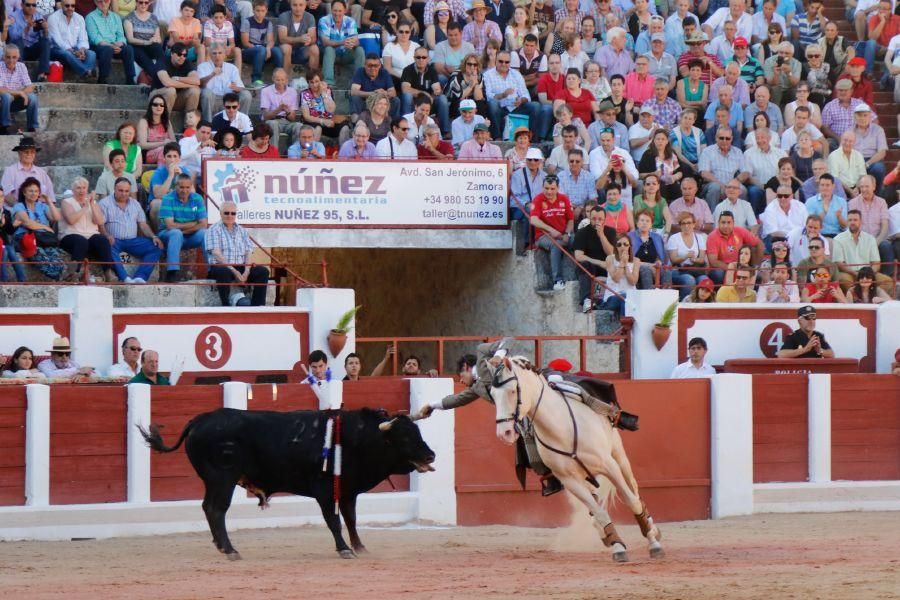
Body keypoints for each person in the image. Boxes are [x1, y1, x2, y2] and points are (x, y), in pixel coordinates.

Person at [98, 177, 163, 283]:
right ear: (114, 189)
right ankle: (125, 278)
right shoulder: (104, 203)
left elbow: (143, 224)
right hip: (114, 240)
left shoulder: (135, 204)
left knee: (156, 246)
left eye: (127, 191)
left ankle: (140, 276)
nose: (124, 194)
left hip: (133, 241)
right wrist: (107, 235)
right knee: (107, 245)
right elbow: (100, 225)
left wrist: (153, 236)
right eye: (121, 190)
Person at [207, 200, 269, 307]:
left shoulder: (242, 230)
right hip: (221, 267)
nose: (230, 216)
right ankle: (226, 306)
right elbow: (216, 253)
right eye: (226, 213)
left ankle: (258, 307)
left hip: (241, 266)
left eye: (233, 213)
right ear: (220, 213)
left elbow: (248, 251)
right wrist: (234, 271)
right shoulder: (213, 229)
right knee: (223, 271)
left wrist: (247, 270)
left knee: (263, 271)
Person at [59, 179, 120, 282]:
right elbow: (71, 220)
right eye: (78, 188)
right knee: (81, 241)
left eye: (84, 188)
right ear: (73, 190)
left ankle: (109, 272)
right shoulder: (66, 202)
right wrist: (85, 207)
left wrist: (91, 204)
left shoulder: (93, 203)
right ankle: (73, 273)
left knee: (102, 240)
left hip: (90, 236)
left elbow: (99, 221)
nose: (81, 190)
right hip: (70, 236)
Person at [484, 49, 545, 141]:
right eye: (501, 61)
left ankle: (532, 138)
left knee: (535, 106)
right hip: (500, 108)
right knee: (493, 104)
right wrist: (503, 95)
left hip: (516, 106)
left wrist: (521, 100)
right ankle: (497, 137)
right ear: (496, 61)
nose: (504, 64)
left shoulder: (516, 74)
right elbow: (488, 96)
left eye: (507, 62)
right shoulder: (488, 75)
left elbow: (526, 94)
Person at [157, 173, 207, 283]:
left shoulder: (197, 198)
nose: (184, 190)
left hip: (188, 235)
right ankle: (172, 271)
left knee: (205, 234)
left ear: (191, 186)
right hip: (167, 234)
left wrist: (183, 230)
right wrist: (193, 224)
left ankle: (212, 269)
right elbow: (170, 225)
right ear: (175, 186)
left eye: (187, 187)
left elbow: (203, 224)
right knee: (175, 233)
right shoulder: (168, 198)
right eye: (181, 187)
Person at [531, 175, 574, 291]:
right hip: (543, 236)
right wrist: (551, 230)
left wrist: (567, 233)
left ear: (558, 188)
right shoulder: (538, 199)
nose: (549, 191)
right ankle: (557, 280)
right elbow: (533, 220)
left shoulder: (564, 198)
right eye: (546, 188)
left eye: (552, 189)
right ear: (542, 187)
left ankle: (582, 274)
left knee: (577, 240)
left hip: (563, 234)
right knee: (556, 245)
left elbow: (571, 219)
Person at [832, 208, 893, 291]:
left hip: (868, 273)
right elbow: (839, 263)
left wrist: (868, 274)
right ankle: (858, 299)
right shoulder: (838, 239)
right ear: (847, 222)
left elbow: (876, 263)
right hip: (849, 273)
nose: (852, 222)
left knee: (888, 281)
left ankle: (870, 298)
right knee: (843, 280)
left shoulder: (870, 239)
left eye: (855, 220)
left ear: (861, 222)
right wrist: (856, 274)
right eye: (850, 220)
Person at [574, 205, 616, 312]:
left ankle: (601, 301)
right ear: (589, 218)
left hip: (607, 268)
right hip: (589, 268)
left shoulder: (610, 232)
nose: (597, 221)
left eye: (600, 219)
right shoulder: (582, 233)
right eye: (593, 219)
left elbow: (611, 253)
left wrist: (601, 235)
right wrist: (599, 262)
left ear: (604, 220)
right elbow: (578, 256)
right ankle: (587, 300)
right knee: (584, 265)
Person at [86, 0, 136, 86]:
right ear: (95, 2)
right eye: (100, 1)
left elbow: (121, 35)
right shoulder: (90, 17)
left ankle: (130, 79)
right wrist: (111, 45)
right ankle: (102, 79)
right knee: (107, 49)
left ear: (110, 1)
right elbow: (95, 38)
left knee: (128, 49)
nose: (103, 3)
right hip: (98, 46)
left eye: (106, 0)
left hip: (115, 46)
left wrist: (121, 43)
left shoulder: (115, 17)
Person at [706, 210, 764, 284]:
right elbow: (713, 262)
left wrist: (755, 266)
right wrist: (732, 269)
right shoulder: (712, 237)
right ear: (718, 223)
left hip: (742, 266)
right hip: (723, 268)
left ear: (733, 223)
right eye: (723, 222)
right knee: (718, 274)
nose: (726, 226)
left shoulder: (740, 231)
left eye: (729, 222)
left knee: (757, 276)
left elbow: (759, 244)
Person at [197, 44, 251, 122]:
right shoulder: (203, 66)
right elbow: (200, 84)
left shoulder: (232, 68)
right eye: (214, 53)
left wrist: (236, 88)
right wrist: (212, 75)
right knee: (206, 93)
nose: (217, 56)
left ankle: (241, 124)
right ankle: (208, 124)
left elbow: (240, 87)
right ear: (210, 55)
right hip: (212, 100)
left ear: (225, 55)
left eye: (220, 53)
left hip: (229, 100)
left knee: (246, 95)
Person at [318, 0, 365, 86]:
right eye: (335, 10)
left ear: (345, 11)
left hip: (345, 54)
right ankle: (328, 83)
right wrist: (343, 42)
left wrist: (352, 43)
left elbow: (356, 41)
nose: (337, 13)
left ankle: (358, 82)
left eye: (340, 11)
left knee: (359, 50)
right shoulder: (324, 20)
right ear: (331, 10)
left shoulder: (350, 21)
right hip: (329, 55)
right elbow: (325, 42)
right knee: (329, 49)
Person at [48, 0, 97, 80]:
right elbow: (58, 41)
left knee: (92, 54)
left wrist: (82, 50)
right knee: (67, 54)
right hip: (56, 49)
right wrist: (74, 52)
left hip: (75, 49)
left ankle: (87, 74)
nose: (70, 8)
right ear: (62, 5)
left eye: (72, 6)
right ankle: (86, 72)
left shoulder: (79, 18)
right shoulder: (53, 18)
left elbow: (83, 38)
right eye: (67, 6)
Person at [241, 0, 282, 88]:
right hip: (249, 50)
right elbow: (245, 43)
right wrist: (260, 49)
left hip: (262, 49)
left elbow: (270, 41)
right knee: (261, 50)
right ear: (253, 10)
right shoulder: (247, 22)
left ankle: (280, 77)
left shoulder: (268, 23)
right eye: (258, 10)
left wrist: (267, 49)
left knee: (277, 50)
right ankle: (256, 79)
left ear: (266, 10)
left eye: (263, 11)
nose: (260, 13)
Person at [2, 136, 54, 204]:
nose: (29, 154)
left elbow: (50, 197)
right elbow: (6, 194)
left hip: (40, 211)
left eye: (32, 152)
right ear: (19, 153)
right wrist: (21, 208)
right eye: (26, 152)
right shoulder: (10, 171)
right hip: (17, 210)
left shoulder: (42, 173)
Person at [8, 1, 52, 82]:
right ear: (22, 5)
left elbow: (45, 39)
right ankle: (19, 74)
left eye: (34, 5)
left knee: (46, 41)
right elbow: (13, 37)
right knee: (18, 41)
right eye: (28, 5)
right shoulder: (14, 16)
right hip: (20, 50)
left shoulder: (38, 16)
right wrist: (26, 28)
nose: (31, 7)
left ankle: (42, 74)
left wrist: (45, 30)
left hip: (33, 49)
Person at [598, 233, 640, 315]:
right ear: (615, 247)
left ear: (629, 246)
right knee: (624, 297)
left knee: (627, 298)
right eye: (619, 244)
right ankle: (625, 325)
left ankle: (626, 325)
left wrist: (626, 265)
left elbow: (633, 281)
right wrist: (622, 263)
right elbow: (616, 278)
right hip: (612, 297)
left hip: (631, 296)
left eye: (625, 244)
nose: (622, 247)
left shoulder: (636, 260)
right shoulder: (610, 258)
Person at [0, 45, 38, 135]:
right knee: (6, 96)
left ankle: (32, 127)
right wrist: (19, 92)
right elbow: (0, 89)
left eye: (14, 57)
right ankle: (4, 126)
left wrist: (19, 94)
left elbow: (30, 86)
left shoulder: (21, 66)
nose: (11, 60)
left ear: (18, 57)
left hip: (15, 102)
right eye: (8, 57)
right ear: (3, 57)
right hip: (2, 103)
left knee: (32, 97)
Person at [350, 52, 400, 118]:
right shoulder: (360, 71)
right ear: (365, 65)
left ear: (380, 66)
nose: (373, 68)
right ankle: (356, 123)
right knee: (355, 98)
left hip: (381, 104)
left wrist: (385, 93)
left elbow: (393, 92)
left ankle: (393, 124)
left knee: (395, 100)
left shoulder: (384, 73)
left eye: (375, 66)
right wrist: (374, 94)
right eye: (370, 65)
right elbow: (354, 92)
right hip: (366, 102)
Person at [278, 0, 319, 75]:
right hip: (283, 51)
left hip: (301, 51)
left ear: (305, 5)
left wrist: (309, 40)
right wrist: (300, 39)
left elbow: (313, 39)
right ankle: (285, 80)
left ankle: (313, 79)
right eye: (295, 5)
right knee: (287, 48)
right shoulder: (283, 16)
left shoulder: (309, 17)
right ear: (290, 5)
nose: (298, 8)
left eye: (301, 5)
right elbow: (282, 39)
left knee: (314, 48)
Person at [138, 96, 177, 165]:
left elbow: (173, 141)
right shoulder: (144, 121)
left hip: (165, 151)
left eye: (162, 105)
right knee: (163, 151)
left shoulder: (166, 121)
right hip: (147, 153)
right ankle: (161, 173)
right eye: (155, 104)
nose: (159, 107)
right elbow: (142, 145)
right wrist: (163, 143)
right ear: (151, 106)